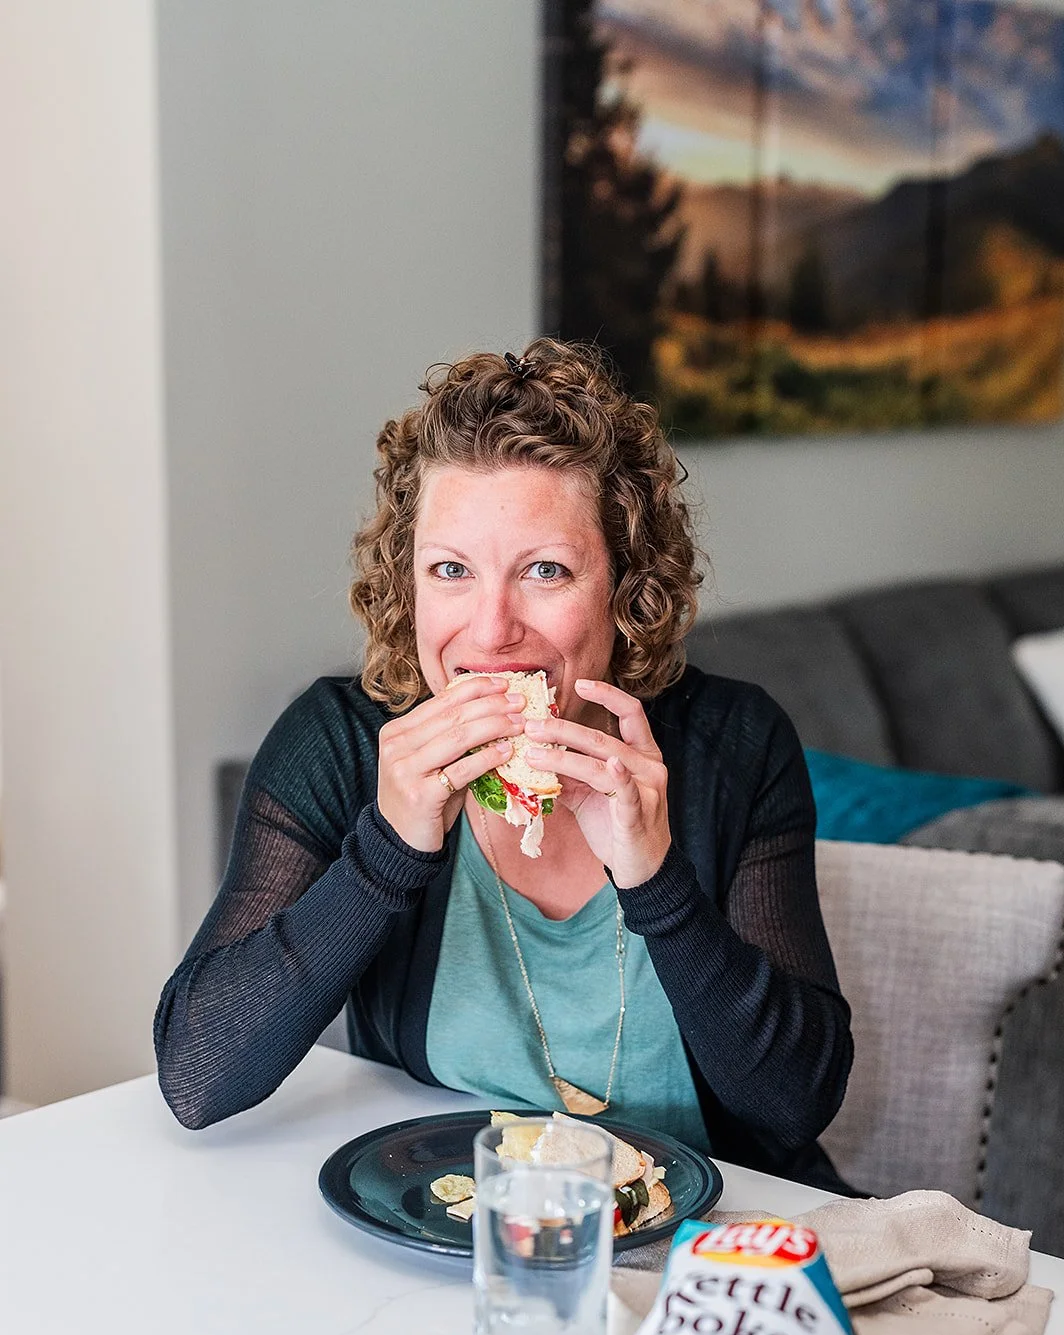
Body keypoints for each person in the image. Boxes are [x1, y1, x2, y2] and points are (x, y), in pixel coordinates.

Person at [155, 339, 855, 1191]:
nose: (491, 631)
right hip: (444, 1232)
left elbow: (797, 1104)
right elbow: (196, 1076)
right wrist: (387, 850)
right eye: (451, 570)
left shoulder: (733, 744)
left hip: (710, 1248)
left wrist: (657, 879)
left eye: (546, 572)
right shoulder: (340, 743)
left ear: (627, 587)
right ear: (408, 586)